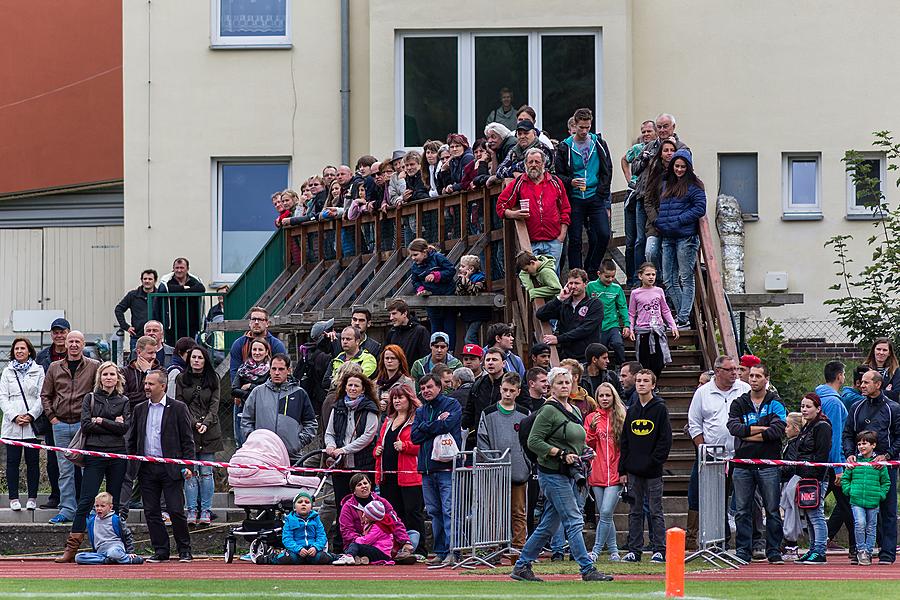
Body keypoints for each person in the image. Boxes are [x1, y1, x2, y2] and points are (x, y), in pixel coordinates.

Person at [511, 367, 613, 582]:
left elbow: (577, 440)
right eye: (559, 383)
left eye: (567, 382)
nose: (565, 386)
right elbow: (534, 441)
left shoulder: (574, 410)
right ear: (551, 387)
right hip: (553, 473)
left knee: (549, 524)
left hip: (568, 473)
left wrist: (586, 451)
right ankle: (587, 568)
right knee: (574, 519)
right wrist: (560, 453)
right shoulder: (549, 410)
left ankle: (522, 566)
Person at [57, 361, 131, 563]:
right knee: (86, 500)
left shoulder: (123, 400)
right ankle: (71, 548)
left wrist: (101, 420)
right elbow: (87, 425)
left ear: (118, 378)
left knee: (115, 503)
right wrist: (111, 423)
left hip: (117, 455)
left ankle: (119, 545)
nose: (109, 377)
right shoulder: (90, 398)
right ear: (100, 377)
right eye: (105, 374)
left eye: (112, 374)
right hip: (94, 454)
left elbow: (124, 429)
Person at [127, 370, 195, 562]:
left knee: (175, 510)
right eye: (146, 383)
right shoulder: (139, 409)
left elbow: (187, 440)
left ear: (163, 386)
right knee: (151, 511)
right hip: (147, 468)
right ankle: (161, 550)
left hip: (171, 468)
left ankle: (184, 550)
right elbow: (133, 439)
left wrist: (189, 466)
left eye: (151, 384)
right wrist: (132, 465)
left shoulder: (178, 408)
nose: (146, 387)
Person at [686, 355, 749, 548]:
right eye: (730, 370)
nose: (735, 373)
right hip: (712, 456)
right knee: (714, 501)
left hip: (740, 454)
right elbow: (694, 424)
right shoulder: (703, 393)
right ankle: (719, 541)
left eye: (736, 369)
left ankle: (746, 543)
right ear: (718, 371)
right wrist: (703, 449)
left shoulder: (744, 389)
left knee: (744, 500)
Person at [726, 363, 787, 564]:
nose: (753, 379)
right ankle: (743, 549)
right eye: (751, 375)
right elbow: (734, 427)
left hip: (768, 464)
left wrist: (749, 434)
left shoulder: (775, 402)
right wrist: (761, 431)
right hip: (743, 464)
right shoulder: (739, 402)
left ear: (766, 379)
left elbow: (777, 431)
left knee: (772, 509)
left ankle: (774, 551)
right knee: (742, 509)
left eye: (758, 376)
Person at [40, 331, 100, 525]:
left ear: (83, 345)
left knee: (88, 469)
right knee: (64, 470)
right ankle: (66, 509)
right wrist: (52, 417)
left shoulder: (94, 367)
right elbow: (45, 395)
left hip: (84, 426)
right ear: (65, 344)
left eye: (77, 341)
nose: (74, 345)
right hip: (60, 424)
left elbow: (98, 394)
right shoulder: (54, 368)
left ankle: (88, 509)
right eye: (70, 341)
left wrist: (91, 418)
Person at [842, 369, 900, 565]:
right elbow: (848, 433)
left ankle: (887, 553)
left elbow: (899, 437)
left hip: (885, 468)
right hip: (861, 469)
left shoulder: (893, 408)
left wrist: (887, 456)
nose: (862, 385)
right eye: (861, 382)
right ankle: (862, 551)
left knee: (888, 511)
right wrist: (850, 453)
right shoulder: (857, 407)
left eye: (867, 382)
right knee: (860, 513)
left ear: (878, 384)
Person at [619, 369, 672, 563]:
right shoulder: (631, 409)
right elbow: (625, 440)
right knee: (635, 510)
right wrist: (623, 469)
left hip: (653, 471)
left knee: (655, 510)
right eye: (639, 380)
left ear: (653, 385)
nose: (641, 384)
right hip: (633, 470)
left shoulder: (659, 408)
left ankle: (659, 548)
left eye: (646, 381)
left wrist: (653, 462)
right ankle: (635, 549)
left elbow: (665, 440)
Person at [555, 108, 614, 276]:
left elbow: (607, 169)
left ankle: (591, 267)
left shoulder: (599, 143)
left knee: (603, 234)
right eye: (581, 127)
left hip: (594, 195)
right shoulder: (565, 146)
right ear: (575, 124)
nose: (584, 131)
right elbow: (558, 174)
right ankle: (577, 274)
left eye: (587, 127)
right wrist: (570, 182)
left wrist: (602, 193)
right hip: (574, 198)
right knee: (575, 239)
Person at [410, 374, 462, 566]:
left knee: (449, 510)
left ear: (439, 387)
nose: (426, 391)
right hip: (426, 469)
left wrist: (425, 427)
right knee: (434, 512)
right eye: (423, 388)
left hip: (446, 467)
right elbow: (414, 436)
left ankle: (453, 551)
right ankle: (440, 551)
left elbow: (448, 424)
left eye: (429, 387)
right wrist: (433, 425)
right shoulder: (421, 410)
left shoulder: (452, 404)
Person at [477, 372, 530, 549]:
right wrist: (493, 463)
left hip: (519, 470)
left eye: (512, 391)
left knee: (518, 511)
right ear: (500, 389)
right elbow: (482, 441)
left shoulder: (524, 414)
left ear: (518, 392)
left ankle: (519, 549)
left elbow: (530, 441)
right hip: (495, 471)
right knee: (494, 511)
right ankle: (494, 548)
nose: (507, 394)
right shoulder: (488, 413)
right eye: (505, 390)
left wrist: (527, 463)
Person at [325, 371, 381, 538]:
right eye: (350, 385)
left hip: (362, 464)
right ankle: (342, 542)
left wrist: (344, 449)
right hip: (341, 465)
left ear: (363, 389)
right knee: (342, 504)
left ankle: (368, 539)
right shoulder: (337, 407)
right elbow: (329, 432)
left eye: (356, 385)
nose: (353, 388)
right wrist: (331, 445)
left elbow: (367, 437)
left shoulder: (370, 409)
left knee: (364, 505)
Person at [655, 149, 706, 328]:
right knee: (668, 279)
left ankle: (683, 318)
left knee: (686, 278)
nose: (679, 169)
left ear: (688, 167)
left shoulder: (695, 186)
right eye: (677, 166)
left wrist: (679, 220)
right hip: (668, 236)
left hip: (686, 238)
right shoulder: (666, 184)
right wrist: (659, 223)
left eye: (683, 166)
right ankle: (683, 316)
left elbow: (700, 208)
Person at [373, 384, 425, 555]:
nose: (397, 401)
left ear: (409, 399)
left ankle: (419, 549)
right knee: (393, 514)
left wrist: (406, 446)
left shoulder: (417, 419)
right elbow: (380, 443)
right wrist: (377, 450)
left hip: (409, 475)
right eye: (394, 398)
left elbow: (422, 446)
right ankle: (397, 546)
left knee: (412, 513)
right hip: (388, 475)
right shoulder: (388, 421)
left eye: (400, 397)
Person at [497, 148, 571, 266]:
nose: (533, 165)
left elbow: (565, 209)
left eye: (537, 162)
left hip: (554, 241)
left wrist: (561, 236)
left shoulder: (555, 181)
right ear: (525, 164)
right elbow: (501, 205)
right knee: (533, 279)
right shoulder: (519, 183)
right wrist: (513, 214)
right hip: (531, 243)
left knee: (552, 278)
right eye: (530, 162)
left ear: (543, 164)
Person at [174, 346, 223, 526]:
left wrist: (206, 423)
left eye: (200, 357)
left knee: (206, 472)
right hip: (189, 430)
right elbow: (180, 403)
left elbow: (215, 404)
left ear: (205, 360)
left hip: (210, 431)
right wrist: (194, 423)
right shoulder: (181, 378)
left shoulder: (214, 378)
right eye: (193, 357)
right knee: (190, 473)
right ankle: (192, 510)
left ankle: (206, 510)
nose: (196, 360)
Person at [242, 353, 318, 463]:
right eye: (274, 369)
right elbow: (246, 420)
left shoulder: (299, 393)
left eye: (281, 369)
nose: (277, 373)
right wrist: (255, 441)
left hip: (292, 456)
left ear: (289, 370)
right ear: (269, 370)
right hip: (263, 455)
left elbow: (311, 422)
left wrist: (297, 443)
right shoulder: (257, 392)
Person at [0, 338, 45, 512]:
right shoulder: (7, 372)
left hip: (31, 424)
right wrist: (14, 416)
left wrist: (31, 415)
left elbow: (42, 396)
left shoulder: (38, 370)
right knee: (12, 462)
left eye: (23, 348)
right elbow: (3, 397)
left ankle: (32, 497)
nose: (19, 351)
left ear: (29, 351)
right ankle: (13, 498)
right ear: (13, 351)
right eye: (16, 348)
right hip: (12, 425)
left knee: (32, 462)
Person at [815, 361, 852, 559]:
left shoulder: (817, 397)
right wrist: (838, 467)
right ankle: (857, 547)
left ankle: (813, 542)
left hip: (819, 461)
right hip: (833, 463)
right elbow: (836, 435)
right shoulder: (835, 403)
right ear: (839, 376)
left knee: (813, 505)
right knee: (847, 504)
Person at [35, 317, 73, 510]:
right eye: (56, 332)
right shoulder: (42, 357)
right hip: (53, 417)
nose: (59, 336)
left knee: (77, 458)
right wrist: (50, 416)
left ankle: (78, 498)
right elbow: (40, 389)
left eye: (62, 332)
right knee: (53, 460)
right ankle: (55, 496)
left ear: (69, 333)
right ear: (52, 334)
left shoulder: (78, 354)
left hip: (75, 416)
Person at [585, 382, 626, 562]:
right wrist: (593, 429)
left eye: (607, 395)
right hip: (597, 472)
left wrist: (625, 470)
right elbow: (586, 445)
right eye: (601, 395)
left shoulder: (622, 416)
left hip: (616, 472)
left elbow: (626, 446)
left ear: (613, 396)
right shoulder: (591, 418)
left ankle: (595, 550)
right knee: (603, 514)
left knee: (607, 511)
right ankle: (614, 551)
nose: (604, 399)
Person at [336, 473, 416, 564]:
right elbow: (346, 531)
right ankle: (392, 557)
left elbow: (395, 522)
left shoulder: (381, 502)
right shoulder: (347, 507)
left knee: (414, 535)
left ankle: (401, 553)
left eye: (365, 483)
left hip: (382, 542)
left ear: (370, 485)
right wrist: (361, 540)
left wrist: (405, 541)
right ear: (353, 490)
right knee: (355, 546)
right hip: (361, 542)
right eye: (359, 485)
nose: (363, 486)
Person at [793, 393, 833, 565]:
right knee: (809, 514)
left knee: (816, 514)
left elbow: (822, 454)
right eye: (802, 406)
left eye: (808, 406)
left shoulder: (822, 426)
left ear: (818, 409)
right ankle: (812, 549)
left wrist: (812, 474)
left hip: (817, 477)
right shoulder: (807, 426)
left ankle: (820, 550)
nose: (804, 410)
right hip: (804, 476)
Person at [843, 430, 891, 566]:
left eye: (864, 443)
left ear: (873, 445)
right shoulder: (854, 462)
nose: (861, 446)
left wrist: (880, 495)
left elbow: (886, 482)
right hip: (856, 500)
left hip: (873, 501)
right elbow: (846, 479)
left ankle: (868, 552)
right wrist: (849, 491)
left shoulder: (879, 464)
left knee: (871, 527)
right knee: (859, 523)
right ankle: (861, 550)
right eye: (859, 444)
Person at [536, 268, 603, 361]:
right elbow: (540, 314)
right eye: (570, 283)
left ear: (585, 284)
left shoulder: (595, 304)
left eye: (577, 283)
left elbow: (585, 329)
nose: (573, 286)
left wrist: (559, 339)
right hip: (567, 357)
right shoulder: (564, 304)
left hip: (587, 357)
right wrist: (559, 299)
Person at [622, 120, 658, 286]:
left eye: (649, 131)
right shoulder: (638, 149)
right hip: (635, 195)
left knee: (646, 239)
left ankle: (648, 275)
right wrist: (630, 180)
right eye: (643, 132)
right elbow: (624, 160)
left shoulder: (660, 149)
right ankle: (634, 278)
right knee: (635, 240)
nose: (645, 134)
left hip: (652, 198)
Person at [628, 262, 679, 378]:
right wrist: (630, 329)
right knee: (644, 363)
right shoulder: (635, 293)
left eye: (653, 274)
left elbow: (665, 310)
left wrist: (673, 326)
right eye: (648, 274)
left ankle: (654, 384)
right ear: (640, 276)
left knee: (659, 362)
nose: (651, 277)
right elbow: (631, 313)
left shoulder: (659, 291)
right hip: (643, 331)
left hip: (657, 330)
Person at [254, 491, 333, 565]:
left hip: (312, 551)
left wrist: (315, 547)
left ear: (311, 507)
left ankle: (335, 557)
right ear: (294, 507)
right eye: (300, 502)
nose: (303, 504)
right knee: (288, 558)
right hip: (296, 552)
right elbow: (287, 538)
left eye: (307, 502)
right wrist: (298, 549)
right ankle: (270, 558)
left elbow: (322, 536)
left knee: (321, 557)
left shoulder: (316, 518)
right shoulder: (290, 519)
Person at [407, 238, 457, 349]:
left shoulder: (437, 258)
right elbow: (415, 280)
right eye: (411, 256)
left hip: (447, 297)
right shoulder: (415, 266)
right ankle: (435, 352)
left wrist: (436, 275)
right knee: (435, 330)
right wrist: (420, 289)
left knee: (449, 328)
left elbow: (451, 270)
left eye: (415, 255)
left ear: (424, 252)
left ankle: (450, 353)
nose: (413, 258)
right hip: (431, 301)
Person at [73, 492, 143, 565]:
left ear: (110, 507)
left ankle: (129, 559)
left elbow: (127, 535)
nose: (99, 509)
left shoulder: (116, 519)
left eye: (102, 506)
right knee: (79, 557)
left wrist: (130, 552)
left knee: (113, 553)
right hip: (101, 552)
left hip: (115, 548)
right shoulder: (92, 521)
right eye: (97, 506)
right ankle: (107, 560)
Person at [586, 259, 631, 366]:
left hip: (612, 325)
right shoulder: (590, 286)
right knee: (600, 349)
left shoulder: (617, 288)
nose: (610, 279)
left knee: (618, 344)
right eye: (607, 276)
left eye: (613, 276)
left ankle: (621, 366)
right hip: (597, 326)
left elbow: (623, 307)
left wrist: (626, 325)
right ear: (599, 274)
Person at [231, 338, 270, 448]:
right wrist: (252, 393)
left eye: (260, 350)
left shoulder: (272, 369)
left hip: (264, 412)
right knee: (244, 443)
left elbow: (268, 391)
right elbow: (234, 390)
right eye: (254, 349)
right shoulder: (243, 368)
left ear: (266, 352)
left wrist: (249, 386)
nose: (257, 353)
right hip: (245, 410)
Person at [228, 306, 286, 380]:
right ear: (249, 322)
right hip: (244, 388)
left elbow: (281, 372)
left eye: (260, 320)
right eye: (253, 319)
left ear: (267, 323)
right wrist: (238, 389)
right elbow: (234, 372)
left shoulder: (276, 345)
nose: (256, 322)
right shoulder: (239, 344)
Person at [114, 269, 166, 350]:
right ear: (141, 280)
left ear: (155, 281)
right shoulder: (133, 295)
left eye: (150, 279)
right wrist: (126, 327)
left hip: (156, 338)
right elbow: (118, 309)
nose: (147, 281)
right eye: (145, 279)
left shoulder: (159, 296)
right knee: (135, 360)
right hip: (137, 336)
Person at [462, 347, 507, 435]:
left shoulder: (513, 383)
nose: (490, 363)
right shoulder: (478, 385)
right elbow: (469, 412)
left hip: (505, 433)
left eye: (494, 360)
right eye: (488, 360)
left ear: (503, 363)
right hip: (481, 435)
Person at [162, 258, 206, 346]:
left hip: (191, 325)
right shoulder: (167, 281)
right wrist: (184, 288)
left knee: (190, 350)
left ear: (187, 269)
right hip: (172, 327)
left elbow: (201, 288)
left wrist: (180, 292)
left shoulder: (194, 280)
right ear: (173, 269)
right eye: (176, 268)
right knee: (172, 350)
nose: (179, 270)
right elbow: (166, 290)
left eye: (182, 268)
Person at [384, 299, 431, 368]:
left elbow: (425, 358)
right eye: (390, 314)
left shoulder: (420, 331)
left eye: (394, 313)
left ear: (404, 314)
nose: (391, 318)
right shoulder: (392, 332)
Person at [455, 255, 489, 345]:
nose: (460, 268)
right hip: (467, 313)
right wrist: (462, 281)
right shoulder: (461, 279)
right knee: (470, 336)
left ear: (471, 269)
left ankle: (476, 356)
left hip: (478, 313)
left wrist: (466, 279)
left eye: (462, 266)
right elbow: (459, 293)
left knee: (469, 338)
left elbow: (474, 292)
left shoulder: (480, 278)